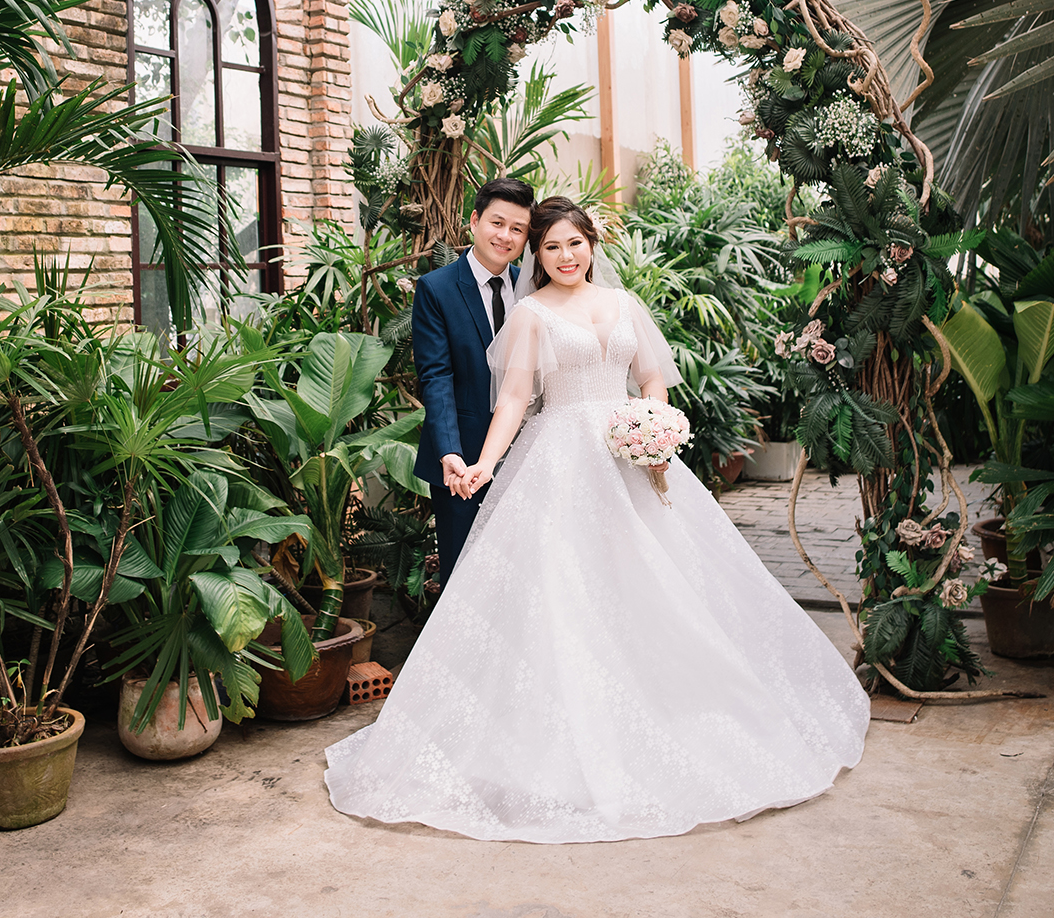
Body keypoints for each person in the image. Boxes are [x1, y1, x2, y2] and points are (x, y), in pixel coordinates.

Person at [327, 196, 870, 843]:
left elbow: (652, 378)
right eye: (551, 247)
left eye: (574, 243)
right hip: (560, 460)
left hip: (629, 456)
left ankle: (672, 708)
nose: (565, 256)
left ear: (591, 243)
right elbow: (514, 399)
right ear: (538, 256)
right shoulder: (531, 314)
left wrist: (653, 427)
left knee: (652, 582)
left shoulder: (624, 303)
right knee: (565, 590)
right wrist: (484, 465)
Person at [407, 176, 534, 586]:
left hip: (531, 454)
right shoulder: (436, 288)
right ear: (475, 221)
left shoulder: (534, 288)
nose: (505, 236)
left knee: (526, 575)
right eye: (497, 223)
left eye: (517, 228)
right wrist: (449, 451)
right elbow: (436, 376)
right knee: (465, 577)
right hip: (462, 462)